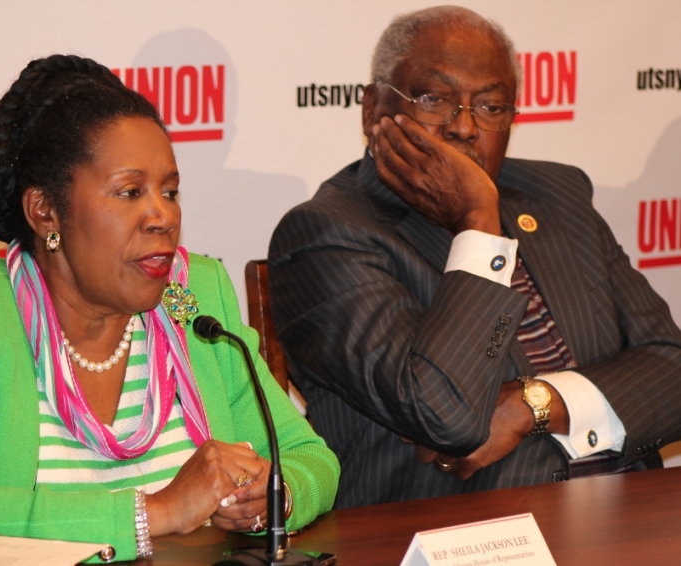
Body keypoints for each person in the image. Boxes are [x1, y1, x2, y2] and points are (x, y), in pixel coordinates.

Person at [0, 54, 338, 560]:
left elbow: (309, 458)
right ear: (45, 211)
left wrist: (271, 498)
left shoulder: (195, 296)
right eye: (129, 192)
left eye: (170, 190)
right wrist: (155, 511)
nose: (163, 215)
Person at [268, 6, 681, 509]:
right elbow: (442, 416)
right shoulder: (327, 234)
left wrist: (537, 404)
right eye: (435, 99)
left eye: (489, 106)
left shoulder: (557, 194)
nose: (463, 127)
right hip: (458, 532)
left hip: (624, 517)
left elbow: (671, 367)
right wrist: (479, 223)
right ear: (372, 110)